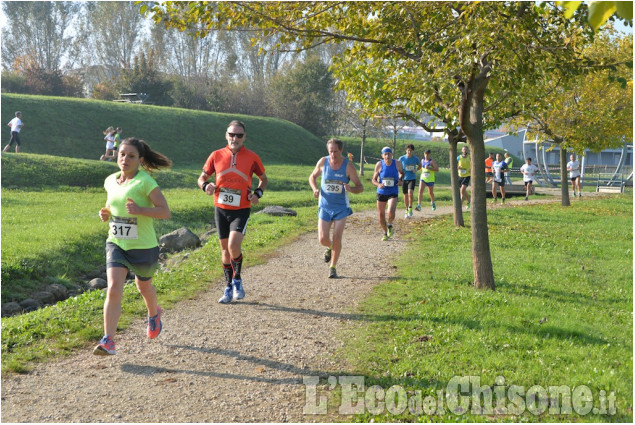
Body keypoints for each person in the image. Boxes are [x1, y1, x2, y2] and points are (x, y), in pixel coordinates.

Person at [94, 138, 172, 356]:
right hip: (117, 243)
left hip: (143, 247)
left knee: (144, 287)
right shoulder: (110, 180)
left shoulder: (146, 182)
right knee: (113, 288)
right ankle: (108, 339)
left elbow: (165, 211)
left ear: (140, 160)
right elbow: (112, 205)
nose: (124, 159)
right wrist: (105, 213)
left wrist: (140, 210)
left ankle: (154, 314)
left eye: (131, 156)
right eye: (121, 154)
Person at [199, 120, 268, 304]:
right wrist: (206, 186)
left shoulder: (252, 157)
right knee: (224, 250)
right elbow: (202, 177)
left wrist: (258, 193)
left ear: (244, 137)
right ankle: (229, 286)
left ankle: (237, 279)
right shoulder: (216, 155)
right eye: (231, 134)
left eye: (239, 135)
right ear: (226, 135)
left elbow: (263, 179)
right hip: (220, 208)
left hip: (241, 209)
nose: (234, 138)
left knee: (233, 246)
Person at [309, 138, 364, 278]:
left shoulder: (348, 166)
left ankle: (333, 267)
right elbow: (312, 177)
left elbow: (360, 187)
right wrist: (315, 189)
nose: (332, 155)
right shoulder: (323, 161)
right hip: (325, 206)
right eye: (330, 151)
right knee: (322, 239)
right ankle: (330, 247)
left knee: (337, 237)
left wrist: (350, 188)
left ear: (341, 150)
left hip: (341, 208)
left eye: (335, 151)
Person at [372, 146, 403, 241]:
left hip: (393, 191)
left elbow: (402, 173)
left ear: (392, 154)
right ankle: (385, 232)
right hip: (381, 192)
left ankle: (389, 224)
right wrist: (378, 184)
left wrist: (400, 180)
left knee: (390, 211)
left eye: (389, 154)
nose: (387, 156)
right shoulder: (379, 164)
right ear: (382, 155)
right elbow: (373, 179)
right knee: (381, 216)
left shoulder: (397, 163)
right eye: (385, 154)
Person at [398, 144, 420, 218]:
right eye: (408, 150)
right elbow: (398, 167)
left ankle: (410, 208)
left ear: (413, 151)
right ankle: (406, 209)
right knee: (405, 195)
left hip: (412, 178)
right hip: (404, 178)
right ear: (406, 150)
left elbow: (420, 165)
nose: (409, 152)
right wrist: (400, 174)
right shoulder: (402, 158)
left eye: (410, 150)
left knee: (410, 193)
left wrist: (416, 169)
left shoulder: (415, 159)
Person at [457, 146, 471, 210]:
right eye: (463, 149)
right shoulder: (459, 157)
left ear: (467, 150)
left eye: (466, 149)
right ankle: (461, 205)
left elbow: (473, 164)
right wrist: (458, 167)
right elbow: (454, 165)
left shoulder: (470, 157)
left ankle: (469, 201)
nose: (465, 150)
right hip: (460, 175)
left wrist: (471, 169)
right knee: (462, 191)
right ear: (462, 151)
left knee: (462, 190)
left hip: (467, 175)